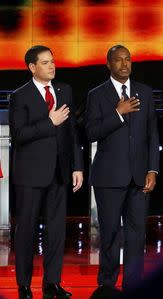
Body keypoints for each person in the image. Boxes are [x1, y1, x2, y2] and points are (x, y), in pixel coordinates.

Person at [9, 45, 84, 299]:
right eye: (45, 62)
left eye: (52, 61)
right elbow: (19, 136)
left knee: (56, 231)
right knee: (26, 230)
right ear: (32, 67)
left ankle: (52, 284)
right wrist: (48, 123)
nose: (52, 66)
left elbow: (72, 131)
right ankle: (24, 286)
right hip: (30, 175)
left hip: (60, 173)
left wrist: (77, 166)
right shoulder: (20, 96)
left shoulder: (65, 90)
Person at [85, 45, 160, 291]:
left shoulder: (145, 92)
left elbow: (152, 134)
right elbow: (91, 132)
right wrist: (118, 113)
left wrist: (153, 169)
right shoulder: (97, 95)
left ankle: (134, 286)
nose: (124, 64)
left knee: (137, 236)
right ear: (109, 64)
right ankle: (107, 286)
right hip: (108, 178)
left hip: (139, 177)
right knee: (110, 235)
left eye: (127, 59)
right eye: (118, 60)